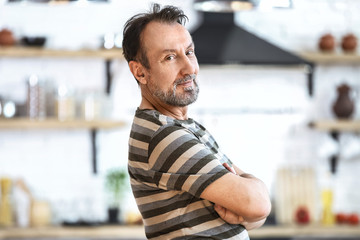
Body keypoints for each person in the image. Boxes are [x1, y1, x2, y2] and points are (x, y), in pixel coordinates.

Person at [122, 3, 271, 239]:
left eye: (189, 52)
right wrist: (255, 196)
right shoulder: (165, 136)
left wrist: (252, 207)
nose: (189, 67)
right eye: (170, 57)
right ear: (140, 72)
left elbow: (255, 214)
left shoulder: (182, 127)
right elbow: (258, 205)